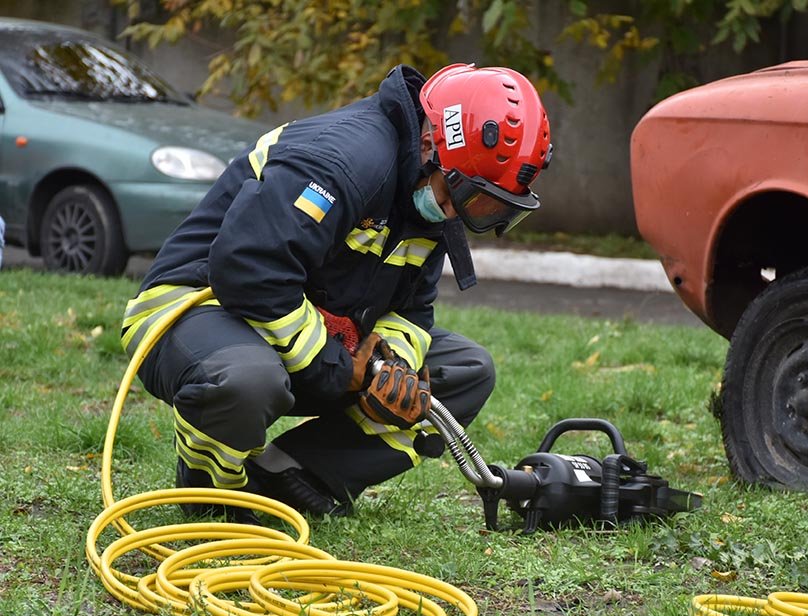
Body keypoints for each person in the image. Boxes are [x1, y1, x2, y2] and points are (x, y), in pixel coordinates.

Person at [120, 63, 552, 522]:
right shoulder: (344, 160)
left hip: (305, 336)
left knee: (464, 372)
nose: (459, 214)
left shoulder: (434, 192)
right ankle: (210, 494)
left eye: (489, 208)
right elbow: (250, 268)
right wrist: (339, 367)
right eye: (467, 197)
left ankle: (291, 478)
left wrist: (394, 368)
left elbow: (412, 311)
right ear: (431, 145)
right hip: (196, 311)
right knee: (248, 380)